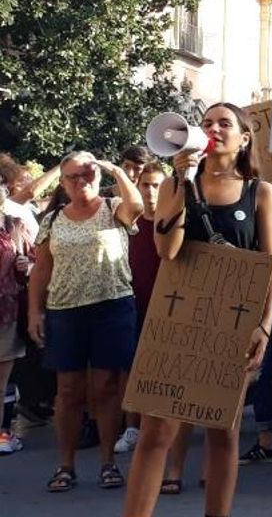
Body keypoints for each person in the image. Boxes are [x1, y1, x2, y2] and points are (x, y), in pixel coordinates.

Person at [100, 103, 272, 517]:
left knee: (224, 431)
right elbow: (168, 251)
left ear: (244, 138)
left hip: (233, 324)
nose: (213, 129)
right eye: (208, 123)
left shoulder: (259, 193)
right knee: (157, 431)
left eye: (225, 123)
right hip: (179, 320)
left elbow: (270, 263)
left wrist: (264, 325)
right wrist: (181, 184)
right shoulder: (177, 185)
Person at [28, 153, 143, 493]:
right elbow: (41, 269)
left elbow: (137, 206)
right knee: (68, 389)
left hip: (112, 307)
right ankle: (66, 465)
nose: (81, 181)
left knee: (105, 386)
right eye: (73, 176)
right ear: (63, 182)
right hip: (65, 310)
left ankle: (108, 462)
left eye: (87, 174)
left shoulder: (114, 208)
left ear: (98, 175)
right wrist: (34, 311)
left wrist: (116, 170)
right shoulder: (53, 220)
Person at [115, 163, 168, 458]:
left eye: (157, 185)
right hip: (132, 305)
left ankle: (161, 427)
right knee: (132, 368)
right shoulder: (128, 222)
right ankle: (132, 427)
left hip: (167, 306)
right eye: (145, 185)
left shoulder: (174, 223)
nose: (150, 191)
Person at [0, 175, 34, 455]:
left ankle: (2, 436)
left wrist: (26, 264)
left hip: (7, 312)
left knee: (2, 382)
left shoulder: (15, 226)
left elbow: (35, 260)